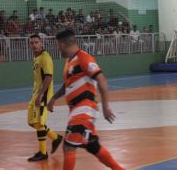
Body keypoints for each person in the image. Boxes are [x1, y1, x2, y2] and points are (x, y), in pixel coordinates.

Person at [47, 29, 123, 170]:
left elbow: (102, 80)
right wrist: (53, 98)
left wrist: (106, 106)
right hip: (76, 110)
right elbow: (67, 85)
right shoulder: (69, 62)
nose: (57, 48)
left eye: (58, 45)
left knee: (68, 146)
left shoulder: (84, 58)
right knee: (93, 146)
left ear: (63, 44)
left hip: (85, 110)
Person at [27, 34, 62, 161]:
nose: (34, 45)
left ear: (41, 43)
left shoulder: (45, 57)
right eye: (32, 43)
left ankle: (43, 152)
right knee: (31, 122)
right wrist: (34, 94)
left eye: (36, 42)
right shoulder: (36, 58)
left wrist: (41, 95)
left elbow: (48, 77)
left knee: (39, 122)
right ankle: (55, 137)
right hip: (36, 93)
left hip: (44, 94)